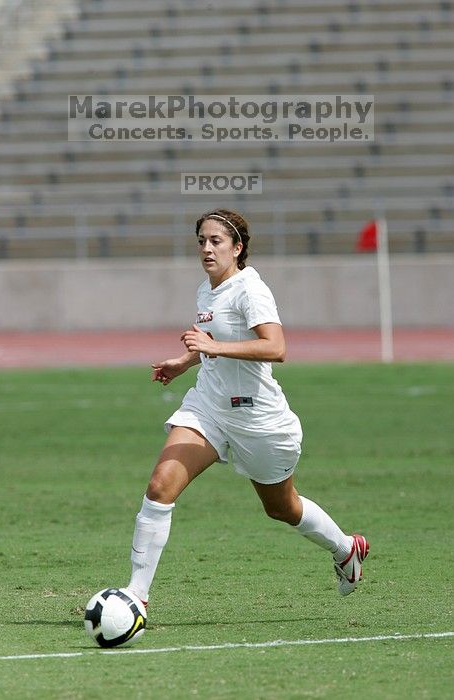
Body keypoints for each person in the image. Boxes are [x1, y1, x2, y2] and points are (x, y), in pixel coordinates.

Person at [128, 208, 369, 611]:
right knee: (159, 487)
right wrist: (184, 362)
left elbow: (276, 348)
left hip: (259, 419)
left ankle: (346, 549)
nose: (207, 248)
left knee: (281, 507)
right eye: (202, 240)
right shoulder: (206, 289)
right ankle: (137, 596)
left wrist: (212, 347)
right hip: (209, 407)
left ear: (238, 248)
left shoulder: (250, 290)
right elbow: (213, 339)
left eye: (216, 241)